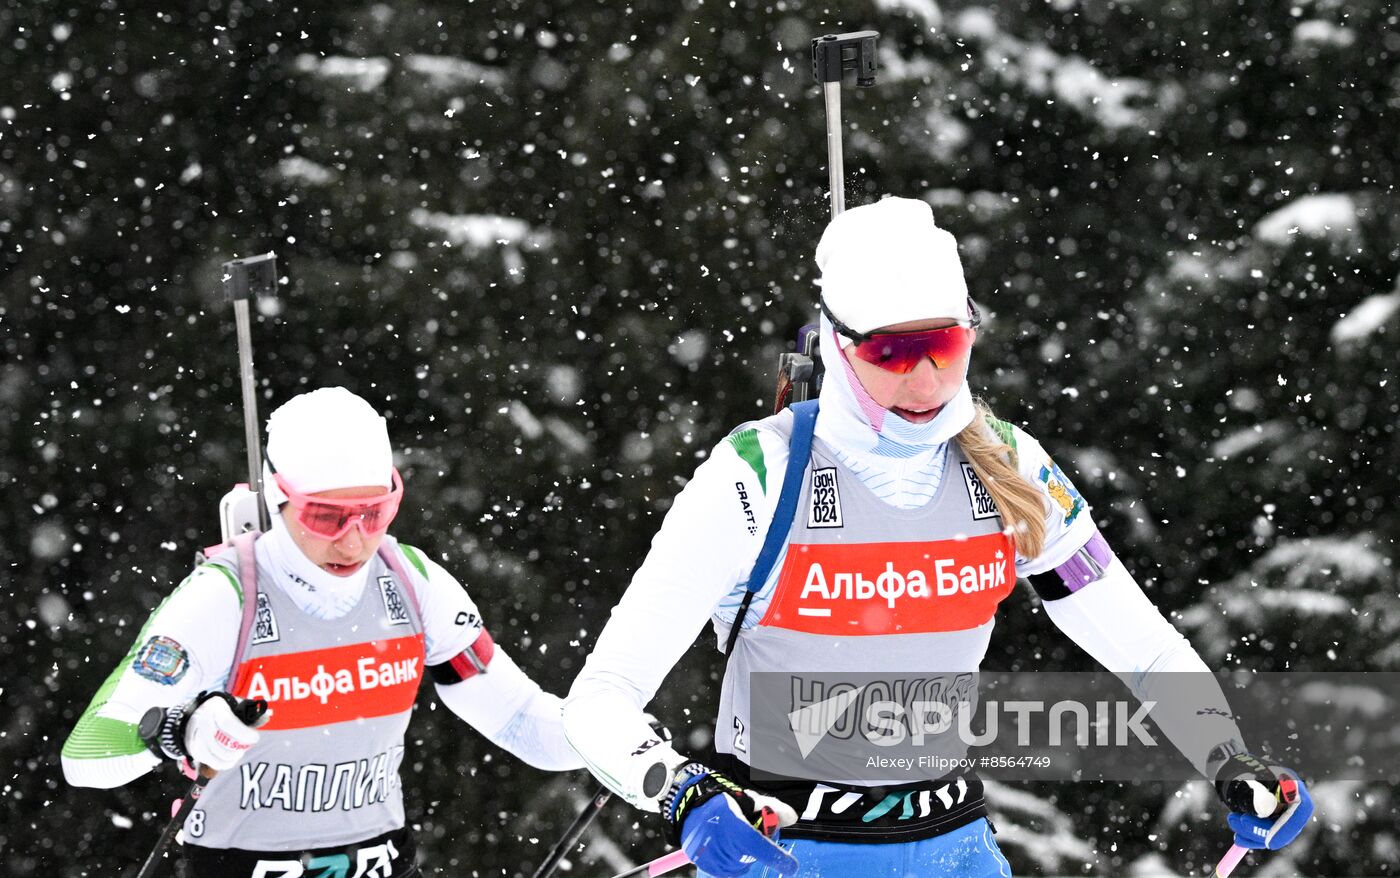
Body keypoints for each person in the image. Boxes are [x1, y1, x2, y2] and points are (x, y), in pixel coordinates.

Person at [561, 197, 1313, 876]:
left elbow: (1142, 648)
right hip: (788, 853)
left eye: (945, 348)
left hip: (955, 851)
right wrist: (685, 795)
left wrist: (1228, 757)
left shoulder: (1011, 466)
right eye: (890, 353)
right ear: (835, 342)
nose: (924, 385)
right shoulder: (757, 474)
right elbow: (598, 702)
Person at [64, 387, 584, 877]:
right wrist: (182, 729)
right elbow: (85, 757)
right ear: (277, 498)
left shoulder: (411, 581)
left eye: (373, 512)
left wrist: (619, 747)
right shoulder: (226, 596)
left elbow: (519, 719)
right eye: (326, 517)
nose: (353, 541)